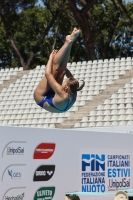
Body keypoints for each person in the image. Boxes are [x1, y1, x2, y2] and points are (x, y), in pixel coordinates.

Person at [34, 28, 85, 113]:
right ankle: (70, 42)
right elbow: (68, 75)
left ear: (66, 87)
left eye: (64, 82)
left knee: (55, 68)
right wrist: (64, 67)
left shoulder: (62, 92)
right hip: (56, 100)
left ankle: (68, 42)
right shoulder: (73, 90)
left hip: (41, 97)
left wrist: (50, 58)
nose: (62, 83)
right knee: (62, 71)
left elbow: (47, 73)